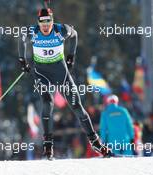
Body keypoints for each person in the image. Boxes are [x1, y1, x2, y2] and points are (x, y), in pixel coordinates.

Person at [18, 8, 112, 160]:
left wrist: (71, 56)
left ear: (52, 21)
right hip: (42, 75)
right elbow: (21, 39)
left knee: (77, 107)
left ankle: (95, 142)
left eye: (48, 21)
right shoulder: (32, 32)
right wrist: (22, 60)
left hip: (61, 75)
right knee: (47, 103)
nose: (45, 26)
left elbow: (74, 35)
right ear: (38, 23)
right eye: (42, 22)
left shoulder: (61, 30)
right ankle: (48, 145)